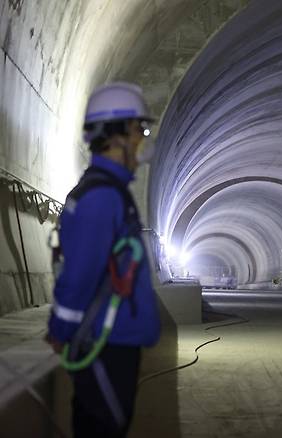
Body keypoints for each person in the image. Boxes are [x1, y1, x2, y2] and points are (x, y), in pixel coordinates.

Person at [45, 82, 161, 438]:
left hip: (114, 342)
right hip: (105, 346)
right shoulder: (101, 198)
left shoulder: (108, 192)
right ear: (117, 134)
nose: (143, 139)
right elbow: (79, 275)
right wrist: (60, 331)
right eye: (139, 129)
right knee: (103, 428)